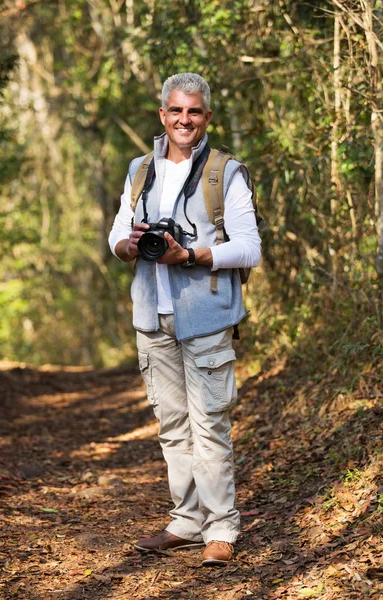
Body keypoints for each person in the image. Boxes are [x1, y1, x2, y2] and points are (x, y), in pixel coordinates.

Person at [108, 72, 261, 566]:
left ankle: (222, 527)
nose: (184, 120)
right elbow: (115, 235)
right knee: (172, 425)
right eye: (176, 110)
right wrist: (129, 246)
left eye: (193, 111)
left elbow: (250, 249)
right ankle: (186, 521)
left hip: (206, 315)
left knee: (209, 424)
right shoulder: (140, 170)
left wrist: (190, 255)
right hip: (151, 316)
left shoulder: (225, 173)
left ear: (206, 117)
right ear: (162, 115)